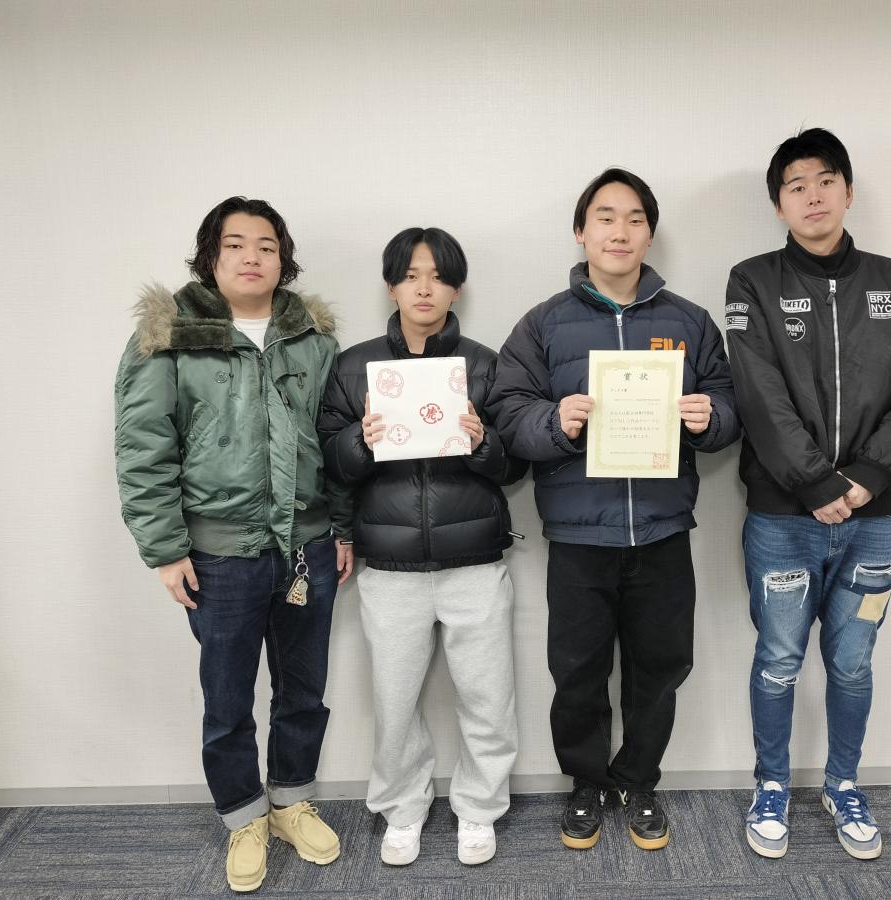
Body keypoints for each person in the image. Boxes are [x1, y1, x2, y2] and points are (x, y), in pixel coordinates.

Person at [488, 169, 740, 851]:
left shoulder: (688, 321)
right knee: (577, 670)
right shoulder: (543, 323)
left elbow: (729, 401)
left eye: (634, 219)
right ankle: (586, 783)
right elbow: (508, 411)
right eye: (605, 217)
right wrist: (555, 420)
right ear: (581, 231)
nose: (619, 231)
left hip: (662, 529)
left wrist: (710, 417)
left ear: (649, 234)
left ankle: (638, 781)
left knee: (661, 666)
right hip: (579, 535)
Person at [115, 196, 354, 893]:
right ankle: (244, 817)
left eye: (267, 246)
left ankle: (292, 802)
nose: (253, 257)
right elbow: (143, 447)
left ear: (284, 259)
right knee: (227, 698)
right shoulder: (169, 337)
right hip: (219, 553)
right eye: (236, 245)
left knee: (304, 688)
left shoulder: (313, 338)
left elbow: (337, 441)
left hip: (308, 545)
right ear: (210, 257)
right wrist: (165, 548)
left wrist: (340, 527)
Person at [724, 128, 891, 860]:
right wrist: (815, 480)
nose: (812, 196)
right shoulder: (752, 282)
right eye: (796, 186)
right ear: (778, 204)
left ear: (848, 191)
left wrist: (869, 478)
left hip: (874, 520)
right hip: (783, 517)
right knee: (779, 658)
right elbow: (757, 390)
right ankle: (771, 785)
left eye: (825, 181)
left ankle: (844, 783)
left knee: (853, 662)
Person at [318, 227, 526, 867]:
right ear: (392, 286)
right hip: (390, 566)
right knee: (394, 700)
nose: (424, 288)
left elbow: (516, 464)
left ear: (456, 287)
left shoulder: (486, 365)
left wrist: (483, 443)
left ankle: (480, 808)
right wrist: (360, 439)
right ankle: (402, 809)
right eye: (411, 276)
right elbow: (329, 461)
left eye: (437, 276)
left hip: (475, 561)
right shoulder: (353, 367)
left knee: (488, 697)